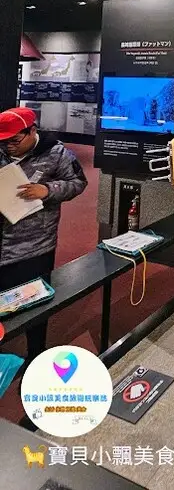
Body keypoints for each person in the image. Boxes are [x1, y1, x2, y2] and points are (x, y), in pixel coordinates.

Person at [0, 107, 87, 361]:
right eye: (3, 141)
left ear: (32, 131)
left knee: (34, 300)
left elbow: (78, 182)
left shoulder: (57, 153)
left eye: (14, 140)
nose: (9, 146)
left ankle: (35, 353)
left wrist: (47, 190)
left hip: (34, 243)